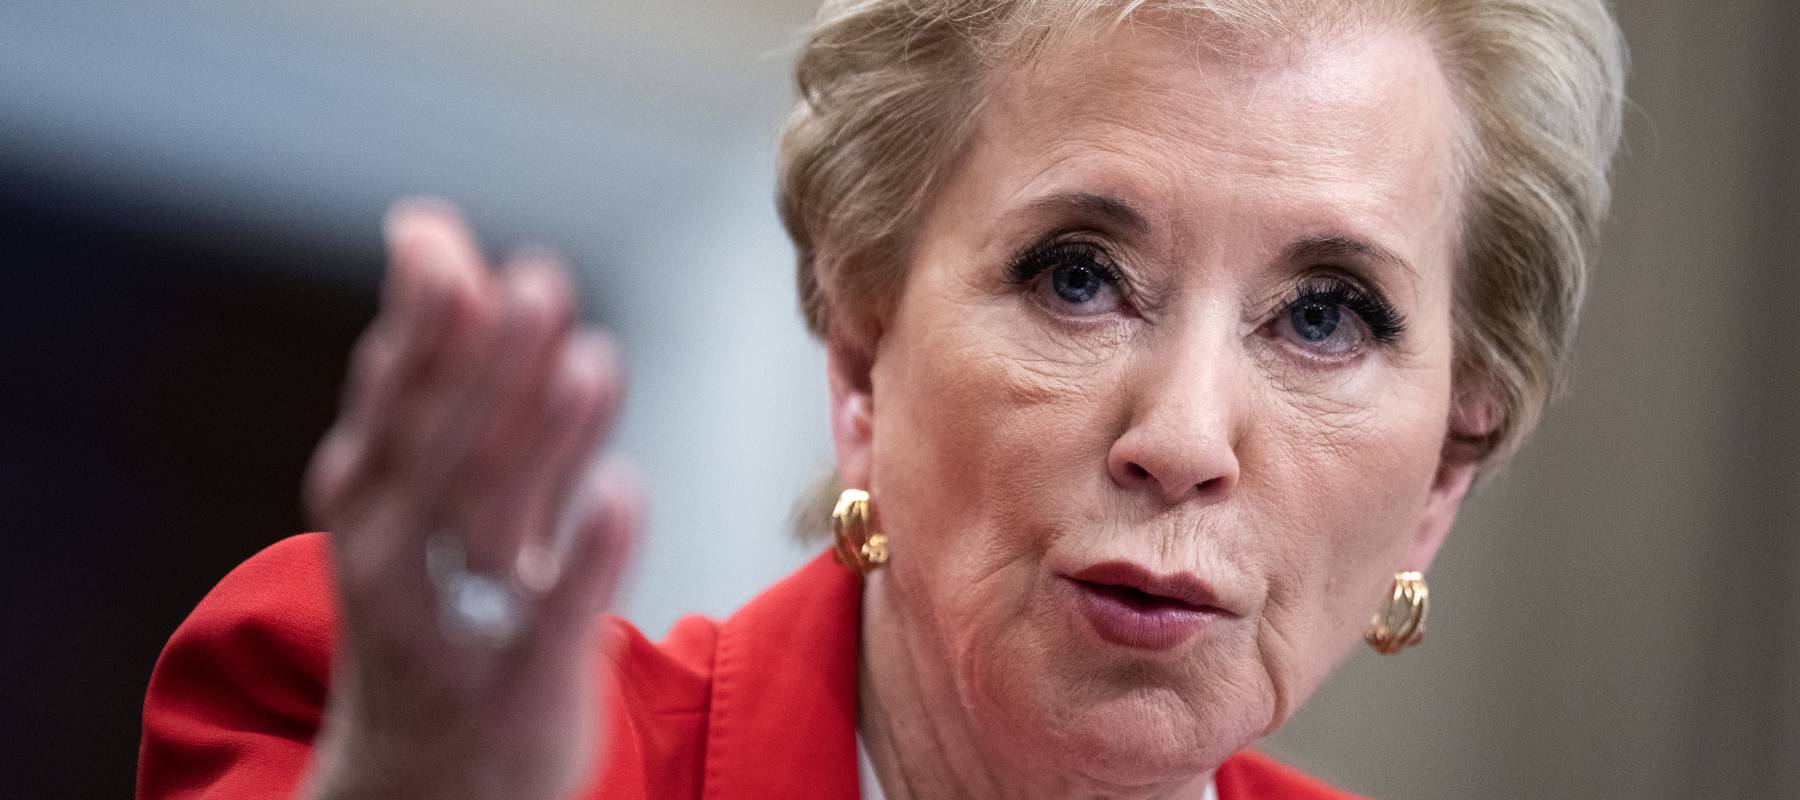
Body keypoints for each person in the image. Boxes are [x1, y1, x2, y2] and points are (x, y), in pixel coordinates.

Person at [137, 1, 1627, 798]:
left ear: (1445, 468)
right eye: (1076, 276)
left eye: (1324, 314)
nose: (1179, 438)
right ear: (860, 353)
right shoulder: (364, 718)